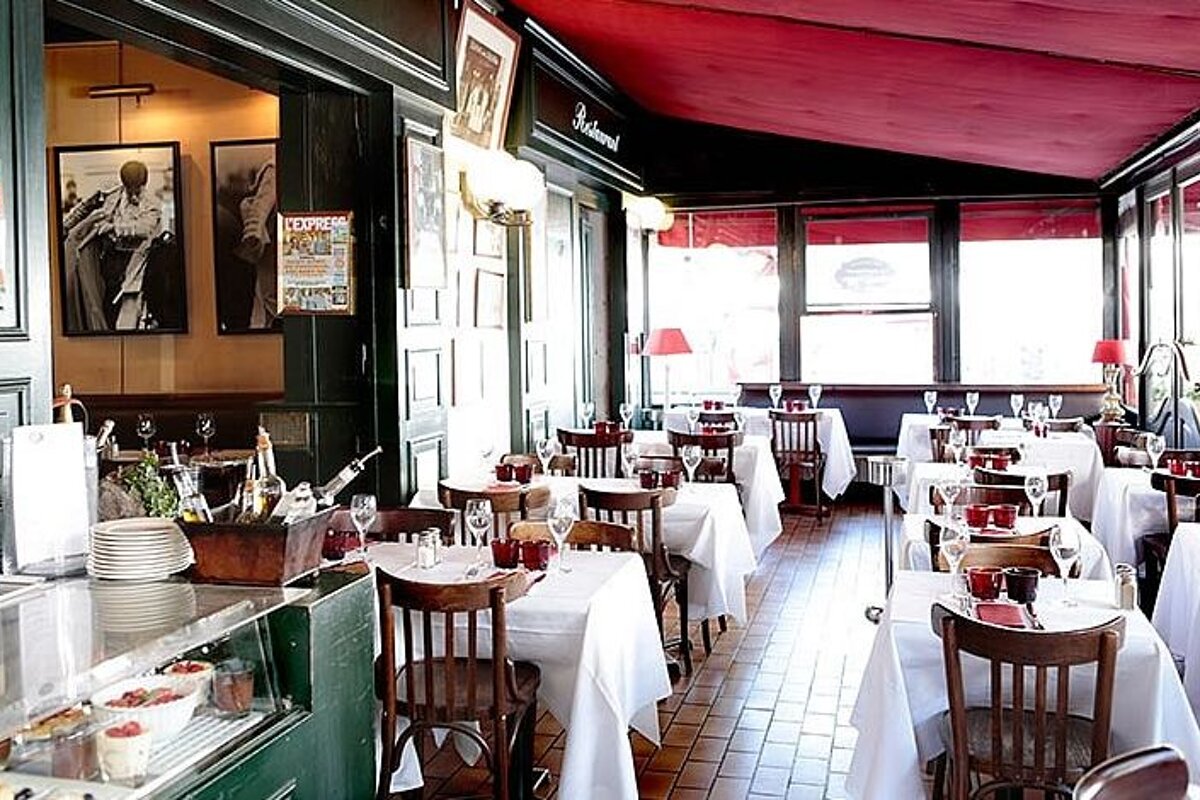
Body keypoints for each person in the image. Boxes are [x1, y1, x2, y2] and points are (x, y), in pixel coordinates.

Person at [61, 159, 163, 331]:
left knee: (125, 307)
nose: (133, 194)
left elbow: (144, 229)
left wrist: (114, 227)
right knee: (102, 300)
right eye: (129, 188)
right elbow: (84, 207)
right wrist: (65, 225)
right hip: (107, 257)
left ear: (144, 184)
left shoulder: (152, 205)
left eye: (136, 188)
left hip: (133, 262)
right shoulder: (111, 192)